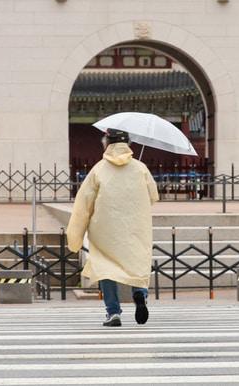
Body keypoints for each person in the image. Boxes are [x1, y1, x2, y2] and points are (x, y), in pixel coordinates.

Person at [65, 128, 159, 328]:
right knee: (136, 263)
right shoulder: (140, 168)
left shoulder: (98, 170)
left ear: (107, 144)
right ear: (128, 145)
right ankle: (139, 296)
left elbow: (83, 205)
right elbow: (154, 196)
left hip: (105, 229)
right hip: (135, 227)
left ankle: (113, 312)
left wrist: (74, 237)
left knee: (106, 268)